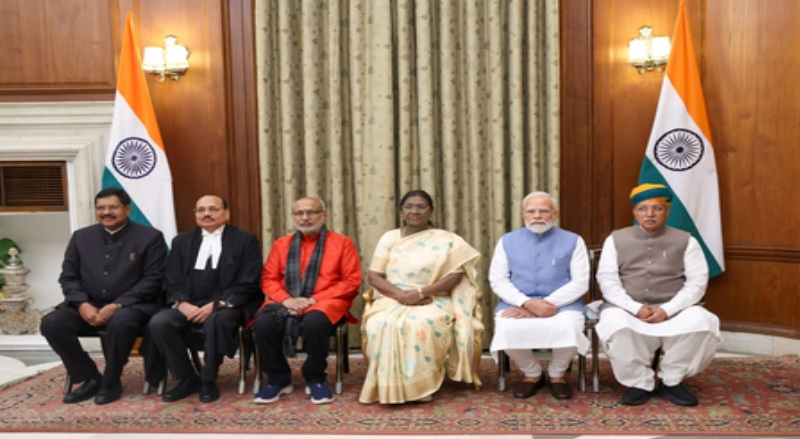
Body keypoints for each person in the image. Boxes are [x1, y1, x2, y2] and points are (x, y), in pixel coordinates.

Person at [596, 183, 721, 406]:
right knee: (614, 324)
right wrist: (635, 308)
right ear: (634, 212)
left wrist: (667, 310)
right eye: (643, 208)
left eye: (657, 208)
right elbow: (608, 281)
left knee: (703, 321)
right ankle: (640, 382)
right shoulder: (616, 239)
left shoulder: (687, 240)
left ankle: (671, 380)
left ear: (667, 212)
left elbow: (696, 283)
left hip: (674, 308)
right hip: (626, 307)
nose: (650, 214)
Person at [40, 187, 167, 405]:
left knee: (121, 321)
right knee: (51, 323)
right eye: (100, 208)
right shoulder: (81, 237)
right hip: (89, 305)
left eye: (113, 207)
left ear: (127, 209)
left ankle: (112, 380)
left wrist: (117, 304)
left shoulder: (150, 237)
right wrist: (82, 304)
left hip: (132, 306)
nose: (106, 212)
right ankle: (89, 376)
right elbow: (68, 277)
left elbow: (153, 279)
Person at [359, 189, 482, 405]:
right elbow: (374, 276)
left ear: (431, 211)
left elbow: (455, 276)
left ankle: (422, 386)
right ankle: (388, 386)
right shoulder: (390, 238)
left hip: (434, 298)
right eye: (409, 207)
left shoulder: (448, 240)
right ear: (401, 211)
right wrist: (402, 296)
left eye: (421, 207)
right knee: (380, 324)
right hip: (393, 297)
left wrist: (420, 293)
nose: (414, 211)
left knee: (421, 324)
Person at [147, 194, 263, 403]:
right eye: (201, 210)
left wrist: (219, 304)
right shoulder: (181, 241)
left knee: (218, 320)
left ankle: (208, 378)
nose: (206, 214)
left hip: (228, 306)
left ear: (226, 214)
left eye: (213, 209)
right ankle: (186, 378)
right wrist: (181, 303)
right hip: (189, 304)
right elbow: (171, 277)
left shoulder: (245, 240)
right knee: (160, 322)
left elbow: (250, 280)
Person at [252, 196, 361, 405]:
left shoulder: (342, 243)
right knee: (264, 323)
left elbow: (351, 281)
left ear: (324, 215)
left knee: (315, 322)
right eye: (299, 213)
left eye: (311, 212)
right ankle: (278, 378)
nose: (304, 218)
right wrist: (286, 300)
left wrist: (312, 300)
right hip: (285, 301)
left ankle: (315, 377)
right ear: (293, 217)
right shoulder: (281, 244)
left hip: (326, 301)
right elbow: (268, 279)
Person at [489, 191, 590, 400]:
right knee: (506, 328)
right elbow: (498, 280)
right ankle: (532, 373)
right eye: (531, 211)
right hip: (518, 304)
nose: (537, 216)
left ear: (555, 213)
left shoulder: (573, 240)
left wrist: (546, 304)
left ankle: (557, 374)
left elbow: (580, 282)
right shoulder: (507, 241)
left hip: (563, 304)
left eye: (543, 211)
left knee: (569, 327)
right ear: (523, 214)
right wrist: (526, 303)